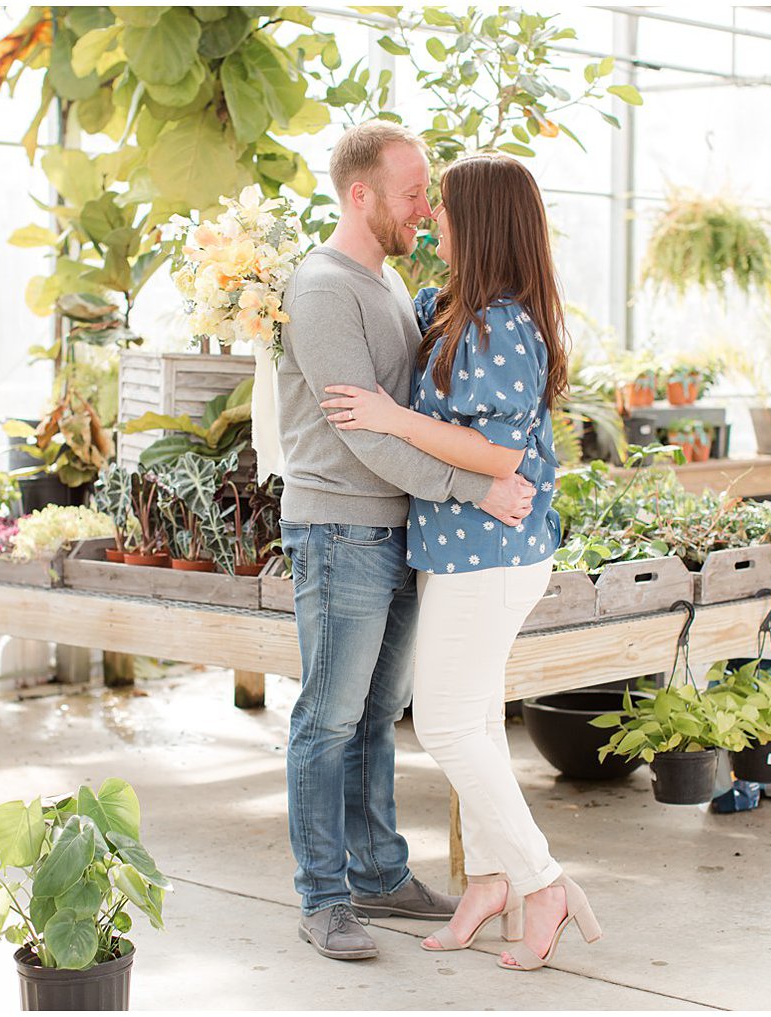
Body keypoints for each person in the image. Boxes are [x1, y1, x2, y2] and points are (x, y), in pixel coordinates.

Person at [319, 153, 602, 972]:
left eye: (443, 208)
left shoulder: (504, 325)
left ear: (478, 223)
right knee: (472, 719)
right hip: (458, 549)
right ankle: (490, 881)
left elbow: (499, 453)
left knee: (442, 720)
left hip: (495, 555)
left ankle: (542, 881)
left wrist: (391, 418)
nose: (432, 219)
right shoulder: (446, 306)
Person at [275, 121, 538, 962]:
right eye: (415, 191)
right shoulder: (323, 289)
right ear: (363, 195)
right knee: (327, 716)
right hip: (340, 527)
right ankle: (323, 895)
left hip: (395, 529)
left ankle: (379, 872)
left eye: (431, 193)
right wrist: (478, 487)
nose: (428, 207)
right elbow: (370, 437)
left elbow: (420, 420)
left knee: (379, 713)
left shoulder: (388, 284)